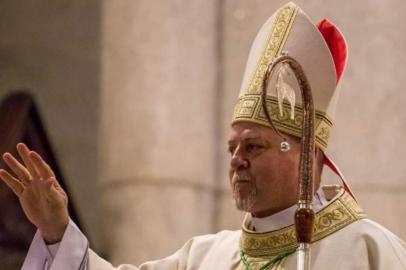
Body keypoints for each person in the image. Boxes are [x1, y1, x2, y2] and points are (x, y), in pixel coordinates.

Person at [1, 2, 406, 270]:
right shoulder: (205, 257)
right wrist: (57, 230)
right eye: (232, 147)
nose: (236, 159)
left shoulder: (368, 250)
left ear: (305, 158)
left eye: (254, 146)